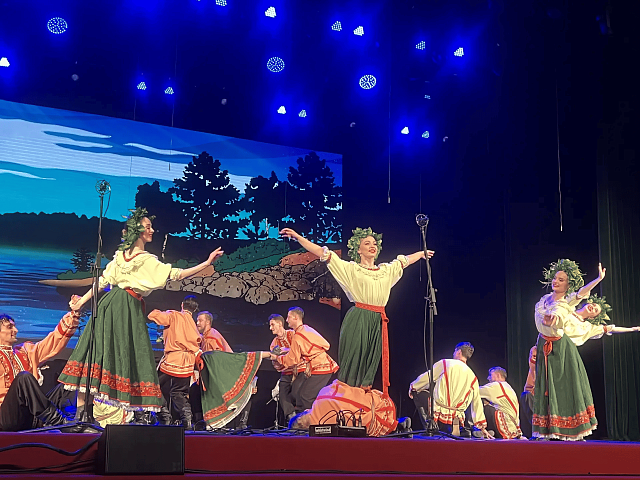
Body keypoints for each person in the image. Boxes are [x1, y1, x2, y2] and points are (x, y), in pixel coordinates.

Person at [58, 207, 223, 420]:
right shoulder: (126, 258)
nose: (152, 230)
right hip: (119, 306)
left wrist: (207, 263)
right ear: (137, 231)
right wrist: (81, 302)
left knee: (106, 352)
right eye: (148, 227)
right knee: (100, 351)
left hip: (118, 306)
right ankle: (82, 414)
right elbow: (103, 281)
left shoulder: (140, 260)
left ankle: (93, 413)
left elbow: (176, 274)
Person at [280, 227, 434, 395]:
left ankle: (360, 399)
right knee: (353, 363)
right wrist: (298, 237)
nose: (372, 246)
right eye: (367, 243)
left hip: (377, 320)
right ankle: (345, 398)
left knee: (369, 365)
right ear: (358, 250)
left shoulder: (385, 271)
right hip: (358, 318)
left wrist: (421, 254)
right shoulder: (351, 269)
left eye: (374, 243)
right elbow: (322, 252)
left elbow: (404, 261)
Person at [532, 259, 605, 440]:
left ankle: (568, 429)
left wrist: (598, 279)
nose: (556, 282)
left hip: (560, 349)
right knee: (544, 387)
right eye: (555, 278)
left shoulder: (565, 304)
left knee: (561, 388)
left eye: (561, 280)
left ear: (568, 284)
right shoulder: (544, 299)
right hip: (543, 345)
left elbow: (561, 313)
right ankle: (546, 430)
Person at [0, 311, 80, 431]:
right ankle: (60, 422)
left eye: (14, 326)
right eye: (9, 327)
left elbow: (52, 343)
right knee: (24, 378)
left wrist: (73, 315)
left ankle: (71, 421)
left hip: (31, 416)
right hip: (6, 418)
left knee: (68, 384)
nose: (16, 330)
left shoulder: (25, 352)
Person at [409, 342, 491, 438]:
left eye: (455, 351)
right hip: (456, 415)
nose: (453, 353)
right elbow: (477, 402)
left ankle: (430, 427)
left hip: (439, 410)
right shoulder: (472, 376)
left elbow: (427, 377)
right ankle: (457, 427)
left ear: (459, 352)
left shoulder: (446, 363)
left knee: (417, 392)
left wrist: (413, 386)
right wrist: (482, 427)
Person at [270, 306, 338, 413]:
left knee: (305, 396)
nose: (287, 320)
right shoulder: (306, 329)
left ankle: (309, 420)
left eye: (289, 317)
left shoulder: (297, 335)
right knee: (299, 395)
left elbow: (292, 360)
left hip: (320, 367)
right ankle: (297, 417)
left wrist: (277, 357)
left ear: (296, 318)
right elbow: (325, 345)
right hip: (315, 366)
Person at [148, 295, 202, 428]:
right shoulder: (193, 324)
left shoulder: (174, 316)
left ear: (182, 305)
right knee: (179, 392)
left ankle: (164, 417)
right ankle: (187, 420)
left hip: (174, 358)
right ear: (194, 310)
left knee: (154, 387)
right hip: (187, 363)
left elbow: (153, 316)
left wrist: (160, 311)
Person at [289, 379, 402, 437]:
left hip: (383, 423)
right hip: (383, 402)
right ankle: (398, 423)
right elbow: (343, 384)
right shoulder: (322, 393)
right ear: (305, 411)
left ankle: (398, 424)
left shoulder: (322, 431)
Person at [268, 313, 302, 423]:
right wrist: (275, 359)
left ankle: (302, 417)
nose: (270, 328)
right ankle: (293, 419)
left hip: (299, 370)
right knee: (282, 395)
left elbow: (301, 349)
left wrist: (286, 350)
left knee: (297, 393)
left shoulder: (293, 334)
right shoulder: (274, 343)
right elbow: (277, 366)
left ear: (280, 324)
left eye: (272, 325)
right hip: (286, 373)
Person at [479, 367, 522, 439]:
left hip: (504, 424)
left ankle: (476, 428)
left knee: (480, 401)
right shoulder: (508, 387)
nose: (488, 378)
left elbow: (475, 391)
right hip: (513, 428)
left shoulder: (497, 385)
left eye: (490, 375)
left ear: (498, 375)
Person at [520, 346, 537, 439]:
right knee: (526, 396)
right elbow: (533, 364)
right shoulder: (535, 349)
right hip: (533, 392)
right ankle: (537, 429)